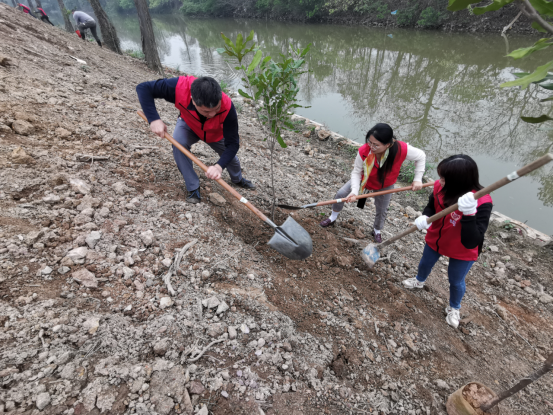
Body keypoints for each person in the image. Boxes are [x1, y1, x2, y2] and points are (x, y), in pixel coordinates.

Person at [402, 155, 493, 329]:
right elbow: (431, 205)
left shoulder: (481, 201)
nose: (439, 181)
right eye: (440, 176)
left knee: (455, 280)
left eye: (444, 178)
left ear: (459, 182)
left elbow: (472, 240)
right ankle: (419, 281)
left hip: (462, 248)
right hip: (437, 237)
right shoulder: (439, 187)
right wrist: (425, 216)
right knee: (425, 263)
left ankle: (454, 307)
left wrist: (469, 214)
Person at [136, 76, 255, 203]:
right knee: (178, 145)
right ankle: (193, 187)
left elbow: (233, 144)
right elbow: (143, 88)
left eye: (216, 109)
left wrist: (219, 167)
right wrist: (153, 119)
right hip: (188, 124)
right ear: (193, 101)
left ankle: (237, 179)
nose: (212, 114)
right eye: (207, 111)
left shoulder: (228, 106)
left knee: (230, 158)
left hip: (215, 133)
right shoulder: (179, 87)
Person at [319, 123, 426, 243]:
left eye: (376, 145)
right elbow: (356, 172)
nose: (371, 146)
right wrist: (354, 191)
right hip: (364, 179)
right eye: (369, 142)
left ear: (388, 144)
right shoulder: (364, 150)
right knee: (340, 194)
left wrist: (417, 179)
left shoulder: (401, 149)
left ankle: (377, 230)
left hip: (385, 184)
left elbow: (421, 156)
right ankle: (332, 218)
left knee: (382, 209)